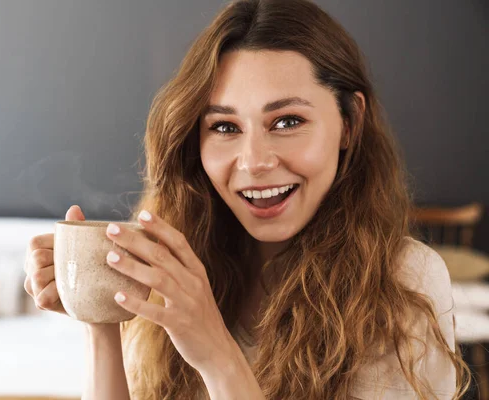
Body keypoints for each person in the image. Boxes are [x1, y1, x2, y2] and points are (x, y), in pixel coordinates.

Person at [23, 0, 472, 398]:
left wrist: (216, 353)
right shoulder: (177, 266)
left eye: (286, 122)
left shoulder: (404, 283)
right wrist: (101, 320)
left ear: (350, 122)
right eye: (224, 127)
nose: (253, 161)